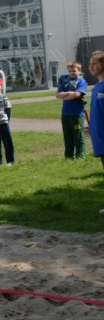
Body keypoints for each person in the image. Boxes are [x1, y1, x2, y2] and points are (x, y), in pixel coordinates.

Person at [57, 61, 88, 159]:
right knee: (67, 136)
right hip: (65, 114)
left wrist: (66, 96)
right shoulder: (65, 81)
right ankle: (69, 156)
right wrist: (71, 93)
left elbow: (77, 94)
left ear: (79, 71)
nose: (71, 73)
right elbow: (58, 94)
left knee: (78, 136)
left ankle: (80, 155)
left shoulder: (82, 81)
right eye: (70, 71)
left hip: (77, 115)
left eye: (74, 71)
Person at [87, 51, 104, 215]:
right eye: (90, 63)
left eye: (95, 63)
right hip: (99, 138)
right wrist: (91, 127)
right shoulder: (96, 87)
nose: (91, 66)